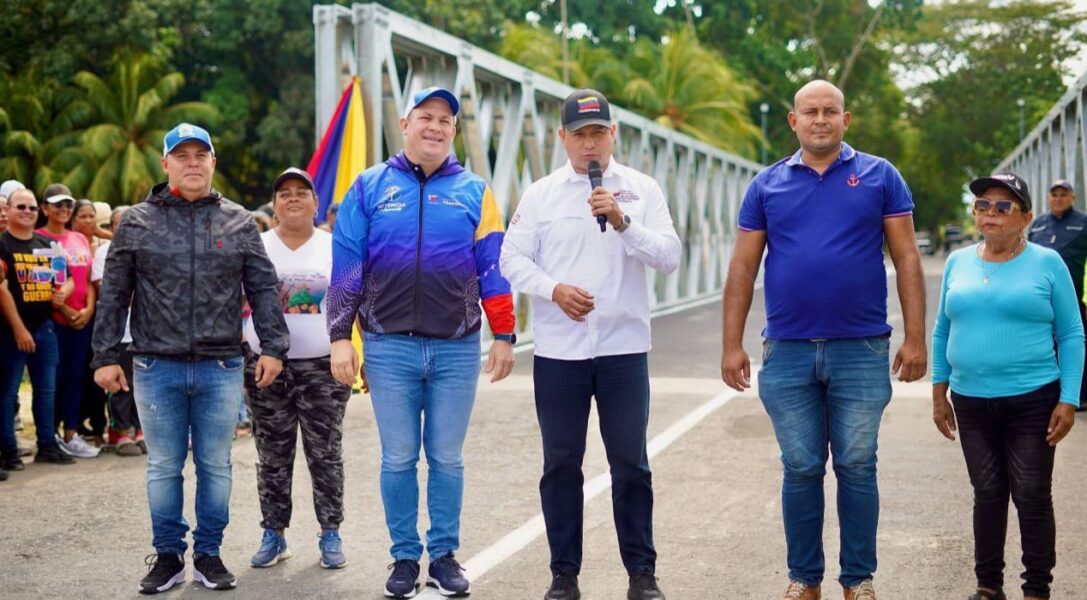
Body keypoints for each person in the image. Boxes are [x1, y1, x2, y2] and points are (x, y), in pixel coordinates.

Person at [720, 80, 926, 600]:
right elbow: (743, 266)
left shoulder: (880, 176)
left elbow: (906, 258)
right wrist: (731, 344)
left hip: (861, 347)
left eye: (829, 111)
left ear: (845, 119)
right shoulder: (766, 185)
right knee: (801, 467)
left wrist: (915, 337)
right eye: (809, 111)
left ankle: (858, 580)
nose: (820, 119)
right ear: (793, 121)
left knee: (857, 466)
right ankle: (804, 580)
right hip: (787, 349)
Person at [327, 86, 516, 599]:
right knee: (398, 458)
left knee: (447, 458)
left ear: (453, 131)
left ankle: (445, 555)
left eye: (445, 120)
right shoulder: (369, 187)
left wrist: (504, 334)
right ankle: (405, 558)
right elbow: (347, 267)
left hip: (457, 347)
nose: (435, 127)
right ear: (406, 124)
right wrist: (341, 338)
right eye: (425, 117)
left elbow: (493, 268)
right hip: (388, 346)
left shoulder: (475, 191)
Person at [92, 123, 290, 594]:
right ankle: (167, 556)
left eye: (201, 154)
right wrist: (104, 356)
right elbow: (114, 293)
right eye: (182, 155)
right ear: (166, 164)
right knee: (163, 466)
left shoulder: (239, 221)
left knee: (215, 465)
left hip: (220, 365)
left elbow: (263, 288)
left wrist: (273, 347)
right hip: (154, 365)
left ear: (213, 162)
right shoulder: (136, 222)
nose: (192, 162)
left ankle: (208, 554)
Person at [500, 88, 679, 600]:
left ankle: (641, 574)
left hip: (624, 349)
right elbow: (511, 258)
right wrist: (552, 289)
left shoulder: (641, 189)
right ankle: (564, 574)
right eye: (580, 135)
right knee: (561, 465)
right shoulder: (540, 195)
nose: (590, 144)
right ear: (562, 137)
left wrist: (623, 223)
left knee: (630, 465)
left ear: (613, 133)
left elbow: (669, 256)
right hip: (561, 353)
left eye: (598, 132)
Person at [932, 173, 1081, 600]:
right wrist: (939, 390)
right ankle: (988, 587)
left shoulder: (1047, 263)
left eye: (1003, 206)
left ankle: (1036, 589)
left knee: (1031, 494)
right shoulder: (958, 262)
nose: (990, 213)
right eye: (983, 205)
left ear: (1026, 218)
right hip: (970, 400)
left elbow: (1072, 333)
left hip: (1032, 399)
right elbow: (942, 329)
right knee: (988, 493)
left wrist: (1069, 398)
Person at [243, 167, 352, 570]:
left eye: (301, 192)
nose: (293, 198)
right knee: (272, 455)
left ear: (315, 202)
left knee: (325, 454)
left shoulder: (335, 246)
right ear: (274, 204)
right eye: (284, 193)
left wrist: (364, 355)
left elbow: (353, 300)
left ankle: (330, 532)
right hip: (266, 368)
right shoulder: (255, 246)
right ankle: (274, 534)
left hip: (323, 368)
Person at [0, 188, 76, 470]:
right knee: (7, 392)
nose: (28, 212)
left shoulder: (48, 244)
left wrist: (64, 292)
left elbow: (66, 278)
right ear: (9, 210)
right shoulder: (2, 244)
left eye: (32, 208)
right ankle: (8, 450)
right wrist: (19, 329)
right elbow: (1, 290)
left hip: (45, 327)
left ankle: (47, 445)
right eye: (21, 207)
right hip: (10, 330)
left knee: (46, 391)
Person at [37, 192, 99, 458]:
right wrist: (65, 309)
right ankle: (49, 435)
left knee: (75, 378)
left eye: (67, 205)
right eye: (57, 205)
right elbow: (44, 284)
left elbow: (88, 280)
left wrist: (88, 310)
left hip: (82, 319)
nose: (63, 209)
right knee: (53, 380)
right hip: (54, 321)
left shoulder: (79, 238)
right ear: (45, 208)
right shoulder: (39, 238)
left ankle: (71, 434)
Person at [1028, 179, 1087, 412]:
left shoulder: (1083, 222)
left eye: (1064, 194)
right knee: (1045, 344)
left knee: (1075, 342)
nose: (1059, 198)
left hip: (1075, 296)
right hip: (1041, 297)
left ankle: (1080, 395)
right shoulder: (1038, 224)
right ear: (1048, 198)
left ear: (1073, 197)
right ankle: (1050, 394)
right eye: (1054, 194)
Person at [91, 205, 143, 456]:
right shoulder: (104, 251)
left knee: (141, 383)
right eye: (120, 224)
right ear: (111, 228)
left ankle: (140, 430)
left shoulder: (147, 249)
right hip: (119, 333)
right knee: (120, 384)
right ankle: (120, 432)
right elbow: (110, 294)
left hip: (144, 332)